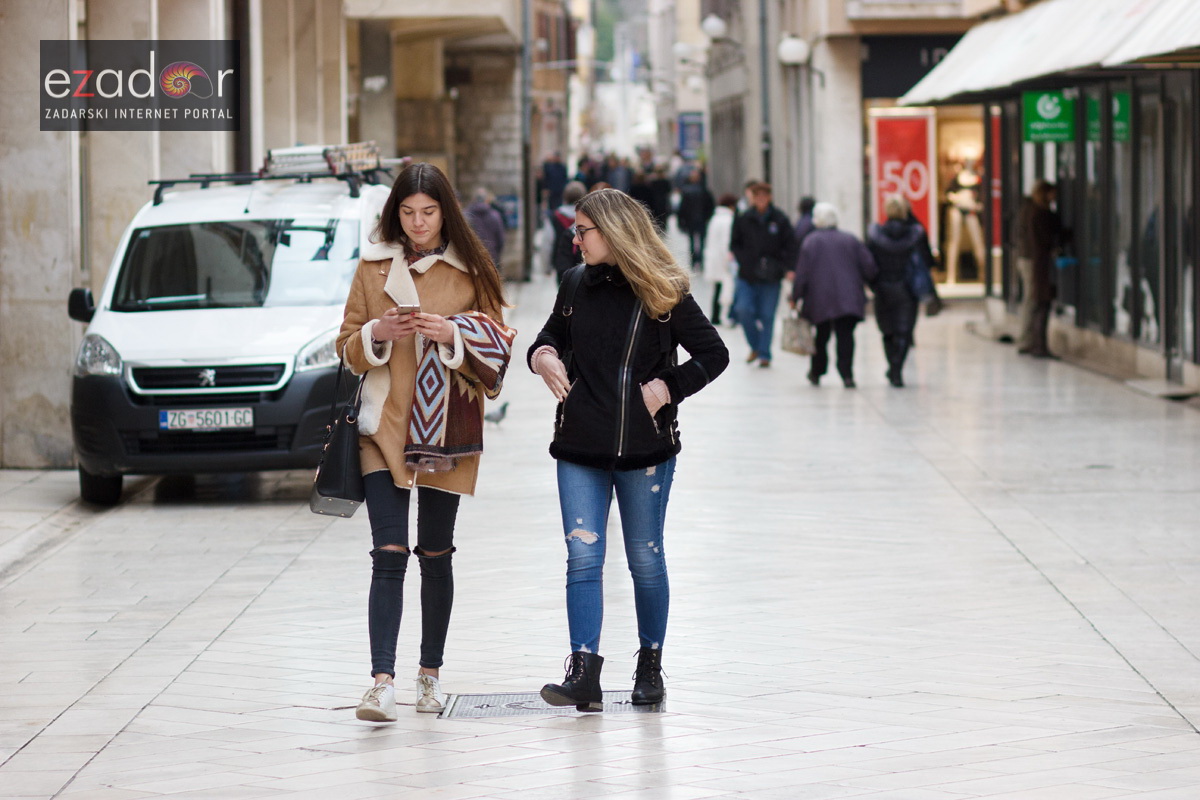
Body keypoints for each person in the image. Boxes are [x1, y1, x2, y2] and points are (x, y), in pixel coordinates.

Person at [527, 188, 729, 712]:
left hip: (645, 452)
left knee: (645, 557)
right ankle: (583, 672)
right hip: (579, 446)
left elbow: (714, 353)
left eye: (583, 231)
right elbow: (547, 337)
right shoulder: (575, 283)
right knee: (582, 556)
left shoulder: (664, 290)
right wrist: (542, 356)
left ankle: (649, 664)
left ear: (613, 231)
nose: (575, 240)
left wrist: (667, 388)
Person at [338, 162, 515, 723]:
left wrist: (453, 333)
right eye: (409, 212)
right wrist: (377, 333)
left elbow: (500, 347)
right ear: (396, 213)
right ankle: (381, 683)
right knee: (388, 553)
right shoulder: (372, 266)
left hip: (446, 429)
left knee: (435, 555)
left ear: (446, 212)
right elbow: (346, 347)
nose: (418, 223)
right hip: (383, 425)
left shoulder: (472, 269)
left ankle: (429, 676)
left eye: (429, 212)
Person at [791, 202, 877, 388]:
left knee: (821, 336)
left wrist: (796, 296)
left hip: (820, 298)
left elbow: (802, 273)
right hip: (848, 297)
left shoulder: (811, 241)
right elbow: (869, 266)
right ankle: (847, 374)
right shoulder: (850, 239)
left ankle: (817, 371)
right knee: (845, 335)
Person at [730, 182, 796, 367]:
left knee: (767, 315)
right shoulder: (744, 218)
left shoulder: (780, 219)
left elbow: (791, 245)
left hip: (771, 276)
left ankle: (764, 354)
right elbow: (735, 243)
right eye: (757, 196)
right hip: (747, 274)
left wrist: (788, 267)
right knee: (743, 310)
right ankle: (756, 346)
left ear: (769, 197)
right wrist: (743, 260)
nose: (760, 200)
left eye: (764, 196)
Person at [866, 196, 925, 387]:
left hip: (882, 287)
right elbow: (926, 260)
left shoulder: (875, 235)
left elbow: (868, 262)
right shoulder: (916, 234)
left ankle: (893, 367)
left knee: (887, 330)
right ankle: (896, 369)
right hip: (907, 288)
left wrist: (872, 282)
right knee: (904, 331)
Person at [1016, 180, 1063, 357]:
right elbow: (1038, 242)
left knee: (1031, 299)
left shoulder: (1029, 210)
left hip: (1028, 259)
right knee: (1033, 299)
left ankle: (1028, 340)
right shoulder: (1036, 213)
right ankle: (1027, 340)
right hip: (1032, 261)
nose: (1054, 197)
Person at [702, 193, 738, 324]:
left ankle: (715, 315)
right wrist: (729, 260)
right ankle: (725, 316)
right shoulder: (728, 220)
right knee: (726, 288)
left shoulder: (715, 218)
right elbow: (725, 242)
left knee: (717, 288)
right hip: (722, 259)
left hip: (714, 258)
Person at [549, 181, 588, 283]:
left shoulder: (555, 217)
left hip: (561, 263)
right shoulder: (587, 217)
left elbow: (548, 241)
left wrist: (547, 266)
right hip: (582, 263)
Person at [677, 169, 715, 270]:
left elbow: (682, 208)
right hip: (701, 220)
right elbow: (710, 206)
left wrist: (681, 221)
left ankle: (693, 261)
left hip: (691, 220)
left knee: (692, 241)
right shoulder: (704, 191)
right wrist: (708, 217)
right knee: (701, 241)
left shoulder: (687, 191)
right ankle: (700, 260)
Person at [464, 187, 505, 270]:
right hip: (491, 256)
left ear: (474, 199)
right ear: (487, 200)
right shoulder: (495, 216)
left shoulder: (465, 216)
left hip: (472, 258)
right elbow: (500, 239)